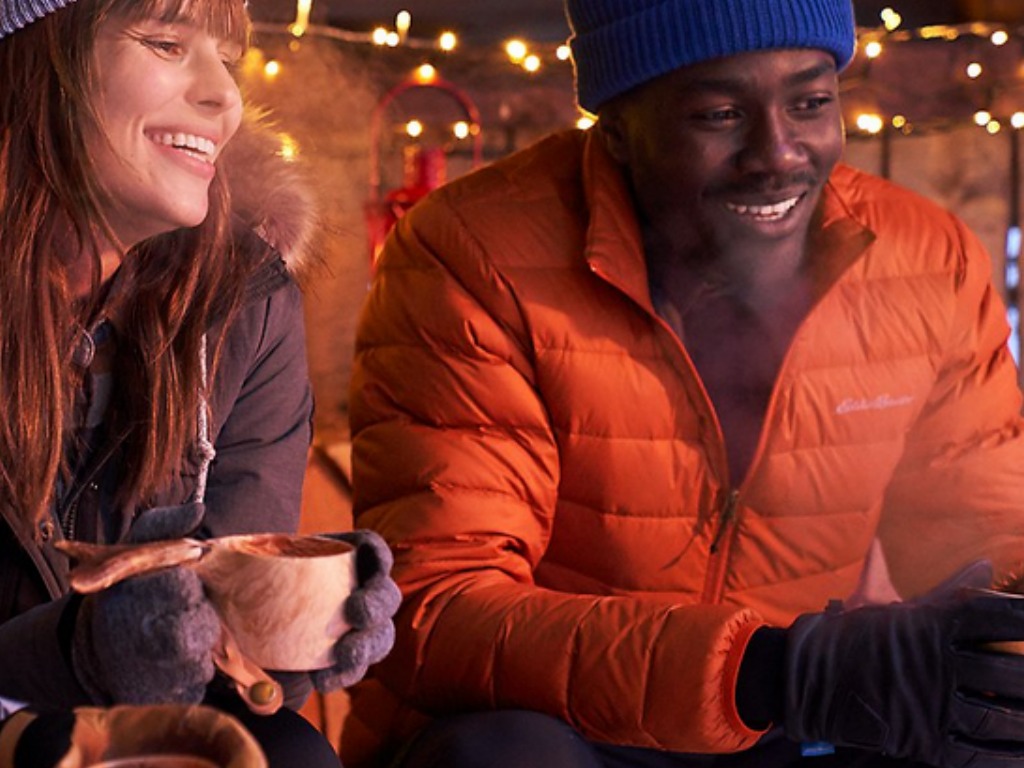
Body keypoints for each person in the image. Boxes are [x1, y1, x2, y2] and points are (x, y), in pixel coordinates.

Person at [345, 0, 1024, 766]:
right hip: (563, 724)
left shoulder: (925, 261)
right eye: (719, 113)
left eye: (810, 103)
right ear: (620, 131)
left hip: (795, 723)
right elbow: (438, 611)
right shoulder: (471, 257)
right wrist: (773, 670)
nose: (778, 153)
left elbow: (984, 528)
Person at [0, 0, 399, 765]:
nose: (226, 98)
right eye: (164, 42)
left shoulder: (246, 301)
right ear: (34, 61)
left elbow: (231, 660)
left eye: (229, 58)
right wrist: (77, 653)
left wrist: (289, 625)